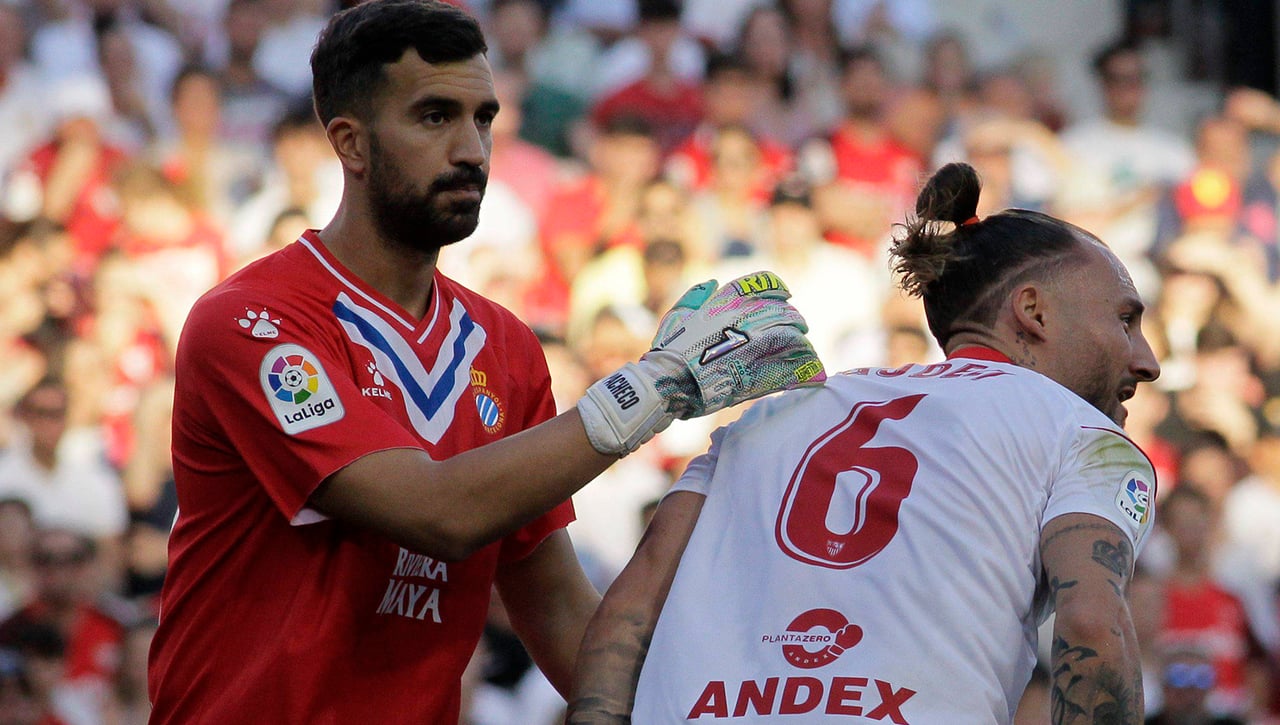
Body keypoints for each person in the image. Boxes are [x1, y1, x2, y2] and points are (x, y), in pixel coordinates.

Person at [145, 2, 824, 724]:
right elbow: (435, 512)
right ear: (350, 143)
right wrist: (655, 386)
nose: (472, 149)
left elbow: (561, 612)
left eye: (484, 119)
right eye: (435, 116)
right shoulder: (253, 321)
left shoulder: (505, 345)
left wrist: (750, 707)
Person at [568, 162, 1162, 723]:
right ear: (1032, 310)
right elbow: (1090, 625)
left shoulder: (769, 416)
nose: (1147, 360)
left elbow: (628, 613)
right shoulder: (1081, 433)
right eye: (1126, 321)